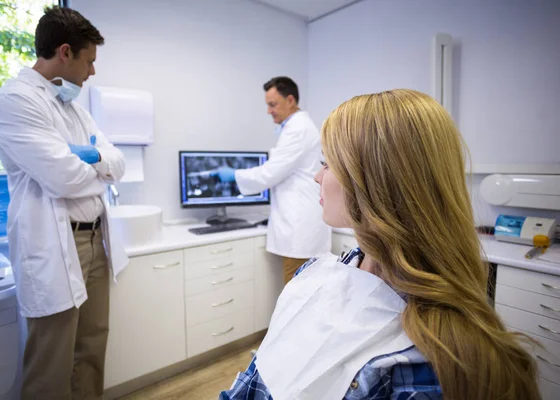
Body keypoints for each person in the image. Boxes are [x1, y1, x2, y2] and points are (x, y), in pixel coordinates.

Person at [220, 89, 540, 399]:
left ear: (374, 182)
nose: (317, 177)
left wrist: (228, 177)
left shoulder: (426, 373)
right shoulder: (316, 272)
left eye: (327, 164)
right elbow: (253, 380)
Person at [0, 7, 128, 399]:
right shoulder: (15, 102)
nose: (92, 72)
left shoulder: (75, 109)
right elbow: (63, 177)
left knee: (92, 345)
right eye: (89, 61)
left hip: (96, 240)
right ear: (65, 52)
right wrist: (95, 168)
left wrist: (93, 158)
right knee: (52, 358)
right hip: (55, 244)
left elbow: (118, 162)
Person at [214, 77, 330, 283]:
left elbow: (271, 173)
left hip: (300, 230)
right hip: (298, 226)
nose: (269, 110)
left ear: (291, 100)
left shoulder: (299, 129)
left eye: (272, 104)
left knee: (296, 295)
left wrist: (234, 175)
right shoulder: (296, 127)